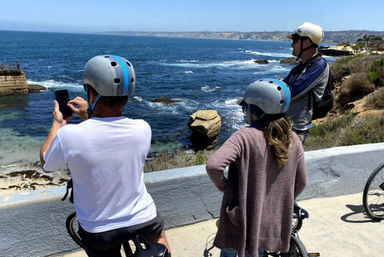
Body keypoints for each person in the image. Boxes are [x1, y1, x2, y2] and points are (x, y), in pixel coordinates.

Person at [39, 55, 171, 257]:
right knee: (159, 241)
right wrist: (90, 114)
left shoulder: (69, 135)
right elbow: (109, 132)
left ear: (91, 94)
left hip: (99, 229)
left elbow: (46, 163)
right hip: (142, 217)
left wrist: (57, 123)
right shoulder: (143, 128)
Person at [206, 78, 308, 257]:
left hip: (243, 219)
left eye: (246, 108)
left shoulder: (244, 136)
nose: (245, 112)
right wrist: (281, 199)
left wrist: (228, 188)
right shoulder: (294, 139)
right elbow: (301, 182)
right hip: (272, 220)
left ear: (255, 111)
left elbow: (213, 166)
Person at [283, 22, 330, 143]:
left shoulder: (318, 66)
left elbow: (292, 91)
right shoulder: (300, 66)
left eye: (295, 41)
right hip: (286, 126)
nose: (292, 45)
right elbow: (283, 86)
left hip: (296, 131)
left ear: (307, 43)